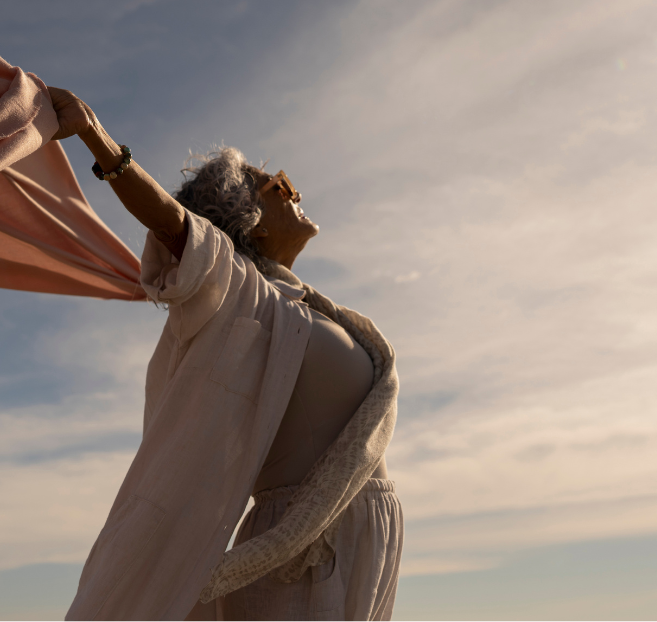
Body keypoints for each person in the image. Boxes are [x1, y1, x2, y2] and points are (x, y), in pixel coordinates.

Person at [49, 88, 402, 621]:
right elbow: (174, 224)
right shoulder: (244, 295)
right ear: (252, 220)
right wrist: (95, 138)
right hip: (299, 558)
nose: (296, 190)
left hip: (356, 546)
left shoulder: (304, 307)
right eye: (281, 186)